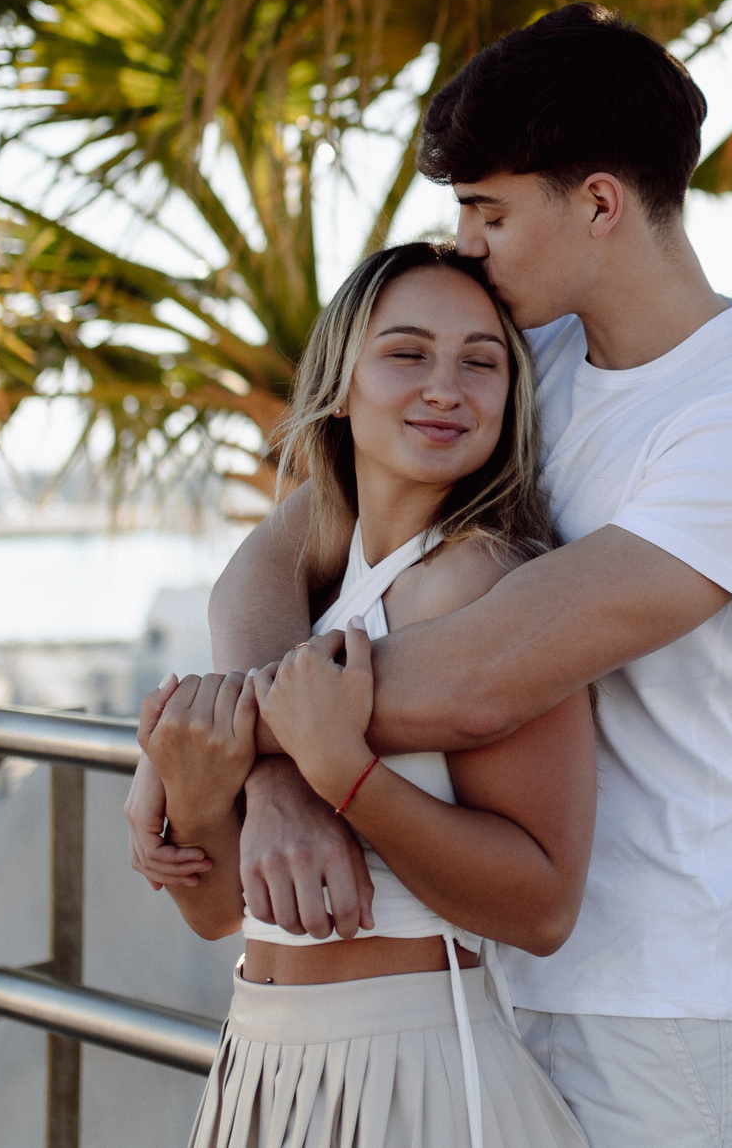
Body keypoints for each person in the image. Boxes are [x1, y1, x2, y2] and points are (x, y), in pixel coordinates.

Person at [130, 5, 732, 1148]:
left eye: (490, 211)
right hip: (468, 980)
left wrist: (206, 739)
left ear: (600, 204)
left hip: (650, 1007)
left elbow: (477, 678)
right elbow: (275, 555)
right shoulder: (519, 362)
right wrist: (264, 784)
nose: (465, 246)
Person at [142, 242, 595, 1148]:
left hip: (414, 1075)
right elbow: (218, 912)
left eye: (481, 360)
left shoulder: (481, 583)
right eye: (406, 352)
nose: (444, 386)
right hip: (260, 1063)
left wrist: (344, 778)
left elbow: (543, 905)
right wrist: (194, 802)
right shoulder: (313, 581)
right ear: (341, 384)